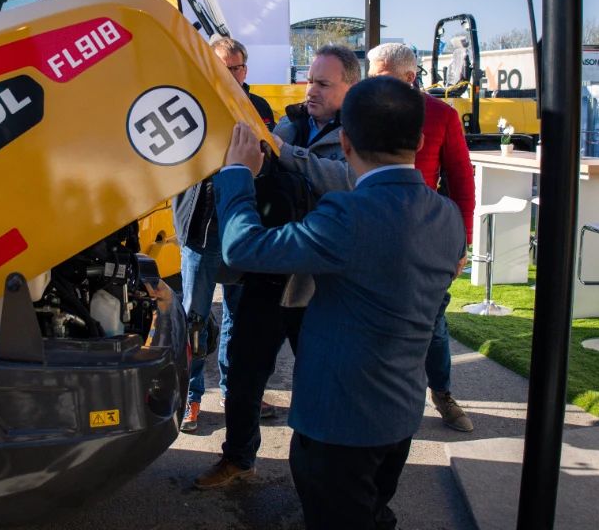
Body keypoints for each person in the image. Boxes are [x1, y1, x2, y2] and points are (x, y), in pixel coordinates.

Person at [214, 76, 465, 529]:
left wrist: (237, 174)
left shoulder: (349, 215)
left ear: (345, 142)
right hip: (400, 415)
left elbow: (243, 247)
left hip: (338, 424)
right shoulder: (446, 215)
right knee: (373, 511)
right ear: (420, 141)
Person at [195, 44, 358, 488]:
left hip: (319, 286)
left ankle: (321, 476)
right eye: (309, 80)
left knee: (319, 384)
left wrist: (284, 153)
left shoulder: (357, 135)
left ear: (350, 86)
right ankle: (238, 458)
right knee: (244, 374)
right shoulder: (289, 123)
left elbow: (348, 181)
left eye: (323, 83)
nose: (311, 90)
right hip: (267, 274)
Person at [367, 42, 475, 432]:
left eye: (380, 76)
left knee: (433, 324)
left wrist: (461, 242)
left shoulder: (441, 116)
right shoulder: (363, 110)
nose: (372, 83)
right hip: (371, 235)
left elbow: (462, 181)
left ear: (409, 77)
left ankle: (441, 392)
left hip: (424, 241)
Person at [171, 37, 275, 433]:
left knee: (239, 319)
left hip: (243, 230)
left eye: (237, 67)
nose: (232, 75)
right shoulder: (188, 104)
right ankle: (190, 396)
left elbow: (271, 166)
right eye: (224, 68)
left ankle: (235, 393)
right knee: (194, 319)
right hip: (201, 229)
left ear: (246, 69)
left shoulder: (259, 108)